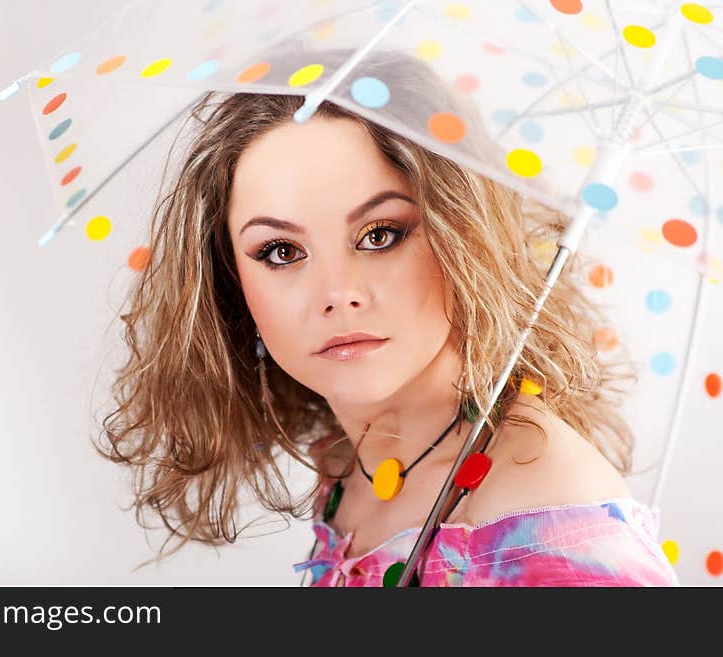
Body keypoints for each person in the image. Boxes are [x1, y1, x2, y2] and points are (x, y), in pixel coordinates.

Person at [96, 47, 679, 587]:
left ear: (463, 240)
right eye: (281, 251)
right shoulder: (347, 459)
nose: (337, 293)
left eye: (379, 235)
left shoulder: (540, 511)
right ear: (230, 282)